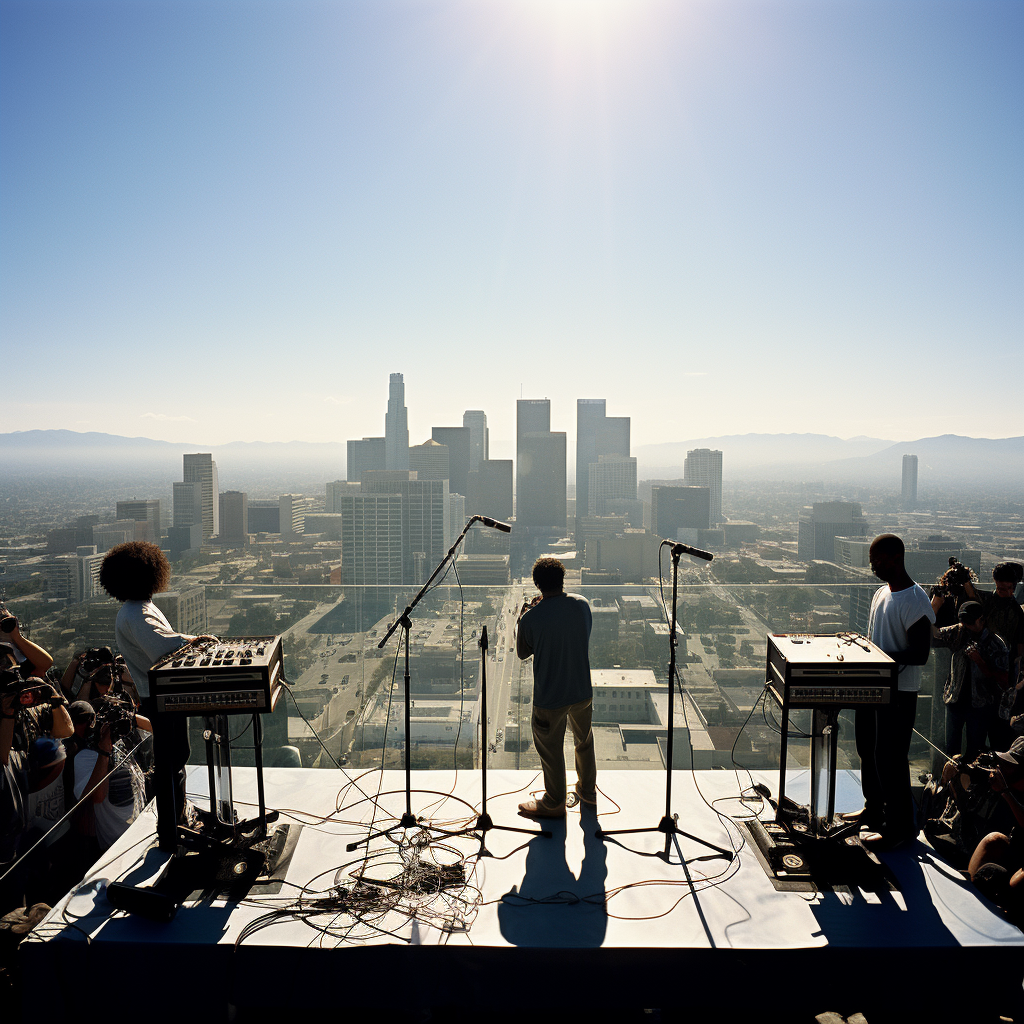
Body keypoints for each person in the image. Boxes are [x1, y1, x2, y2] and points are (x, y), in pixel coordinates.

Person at [99, 541, 205, 848]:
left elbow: (167, 639)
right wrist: (195, 645)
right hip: (162, 696)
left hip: (160, 695)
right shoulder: (138, 613)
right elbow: (164, 649)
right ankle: (173, 828)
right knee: (173, 761)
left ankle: (176, 823)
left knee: (175, 758)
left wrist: (192, 639)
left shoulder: (137, 608)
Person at [847, 534, 935, 849]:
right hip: (874, 687)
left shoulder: (915, 600)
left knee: (890, 757)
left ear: (896, 557)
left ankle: (899, 828)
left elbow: (920, 653)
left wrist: (879, 659)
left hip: (899, 692)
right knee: (867, 748)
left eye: (877, 560)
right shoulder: (882, 593)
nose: (873, 567)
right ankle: (873, 811)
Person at [515, 557, 596, 819]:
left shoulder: (531, 618)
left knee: (550, 749)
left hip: (550, 698)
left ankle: (553, 802)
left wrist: (524, 616)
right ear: (564, 579)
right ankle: (587, 791)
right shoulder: (582, 604)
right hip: (582, 690)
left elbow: (522, 653)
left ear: (537, 584)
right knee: (584, 741)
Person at [933, 601, 1009, 759]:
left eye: (970, 623)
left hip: (980, 706)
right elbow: (936, 633)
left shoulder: (995, 644)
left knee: (975, 751)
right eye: (964, 623)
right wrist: (935, 605)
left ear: (981, 620)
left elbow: (1003, 679)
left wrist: (980, 662)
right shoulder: (959, 631)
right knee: (951, 750)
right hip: (955, 700)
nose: (966, 626)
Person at [966, 737, 1024, 921]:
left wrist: (1005, 792)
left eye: (1010, 765)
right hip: (1017, 847)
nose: (1003, 768)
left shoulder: (1008, 789)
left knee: (1014, 887)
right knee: (993, 839)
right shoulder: (1007, 783)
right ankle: (967, 892)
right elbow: (970, 812)